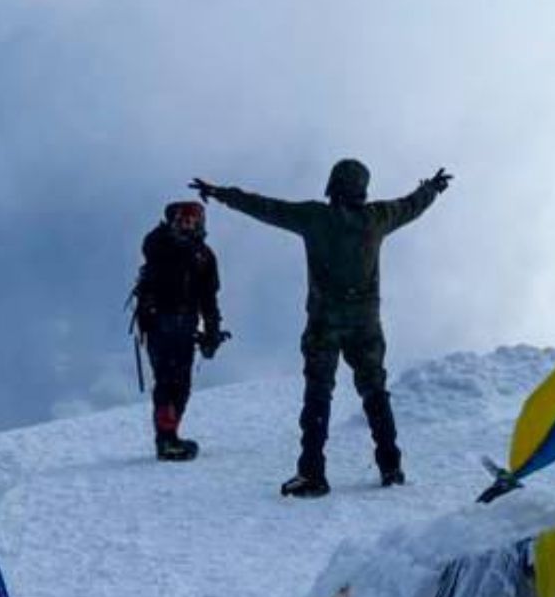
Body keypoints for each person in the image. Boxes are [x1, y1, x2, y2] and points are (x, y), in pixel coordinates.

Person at [191, 159, 451, 497]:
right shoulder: (378, 218)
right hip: (366, 324)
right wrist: (431, 188)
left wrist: (220, 193)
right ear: (363, 188)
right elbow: (411, 205)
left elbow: (264, 207)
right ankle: (391, 467)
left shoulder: (315, 217)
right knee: (375, 391)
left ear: (332, 185)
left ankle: (312, 474)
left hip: (324, 324)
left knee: (318, 395)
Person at [133, 201, 227, 461]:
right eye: (182, 220)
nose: (187, 224)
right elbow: (150, 246)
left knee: (177, 382)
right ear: (173, 221)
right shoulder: (165, 245)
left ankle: (168, 437)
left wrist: (212, 331)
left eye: (191, 220)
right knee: (168, 380)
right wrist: (210, 332)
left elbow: (209, 299)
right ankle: (167, 440)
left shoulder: (202, 255)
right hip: (161, 322)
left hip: (180, 323)